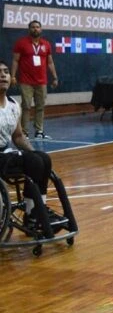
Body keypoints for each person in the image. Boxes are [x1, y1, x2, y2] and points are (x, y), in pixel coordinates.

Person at [0, 60, 54, 228]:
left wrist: (33, 152)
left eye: (6, 71)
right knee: (33, 161)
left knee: (43, 158)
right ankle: (32, 215)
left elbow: (17, 136)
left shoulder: (14, 105)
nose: (3, 75)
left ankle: (38, 210)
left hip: (6, 153)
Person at [10, 20, 59, 139]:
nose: (35, 29)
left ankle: (39, 131)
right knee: (26, 106)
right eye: (33, 27)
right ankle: (24, 132)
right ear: (29, 29)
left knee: (40, 106)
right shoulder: (21, 43)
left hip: (41, 82)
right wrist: (12, 76)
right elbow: (15, 60)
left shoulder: (46, 44)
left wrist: (55, 77)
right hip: (25, 81)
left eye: (37, 27)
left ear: (41, 29)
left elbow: (50, 62)